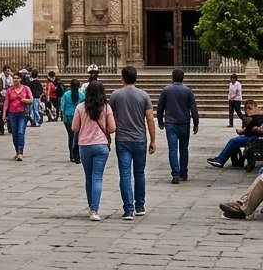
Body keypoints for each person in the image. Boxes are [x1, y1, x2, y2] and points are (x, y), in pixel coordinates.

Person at [109, 65, 157, 220]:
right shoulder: (144, 95)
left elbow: (110, 116)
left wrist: (109, 133)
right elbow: (150, 119)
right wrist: (153, 140)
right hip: (140, 139)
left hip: (122, 139)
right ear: (136, 78)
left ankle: (128, 209)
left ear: (122, 78)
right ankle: (140, 206)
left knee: (125, 174)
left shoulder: (115, 95)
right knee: (139, 173)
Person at [72, 80, 117, 221]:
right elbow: (112, 128)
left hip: (85, 145)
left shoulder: (80, 107)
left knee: (89, 177)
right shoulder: (106, 108)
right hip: (101, 145)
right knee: (97, 177)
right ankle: (95, 210)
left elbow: (74, 127)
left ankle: (91, 206)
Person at [207, 101, 263, 168]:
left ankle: (220, 160)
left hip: (260, 139)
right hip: (259, 137)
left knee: (234, 141)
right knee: (235, 141)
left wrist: (255, 128)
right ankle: (224, 160)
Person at [155, 68, 199, 184]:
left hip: (171, 123)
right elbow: (193, 108)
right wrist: (196, 123)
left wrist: (160, 121)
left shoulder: (166, 90)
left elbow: (160, 108)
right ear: (183, 78)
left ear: (172, 77)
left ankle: (175, 174)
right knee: (184, 149)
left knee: (172, 149)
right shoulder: (188, 91)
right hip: (184, 123)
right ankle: (183, 173)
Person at [3, 71, 33, 160]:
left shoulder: (26, 88)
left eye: (17, 78)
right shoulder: (9, 90)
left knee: (20, 132)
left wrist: (24, 100)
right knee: (14, 133)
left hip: (23, 113)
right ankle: (17, 150)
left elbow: (31, 100)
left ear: (21, 79)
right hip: (12, 113)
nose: (15, 80)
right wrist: (4, 114)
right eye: (14, 78)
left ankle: (20, 152)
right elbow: (6, 103)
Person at [61, 78, 83, 164]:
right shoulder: (82, 95)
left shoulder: (66, 95)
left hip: (68, 117)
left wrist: (63, 114)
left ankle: (72, 154)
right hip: (79, 117)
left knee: (71, 136)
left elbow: (63, 106)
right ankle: (77, 153)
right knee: (78, 136)